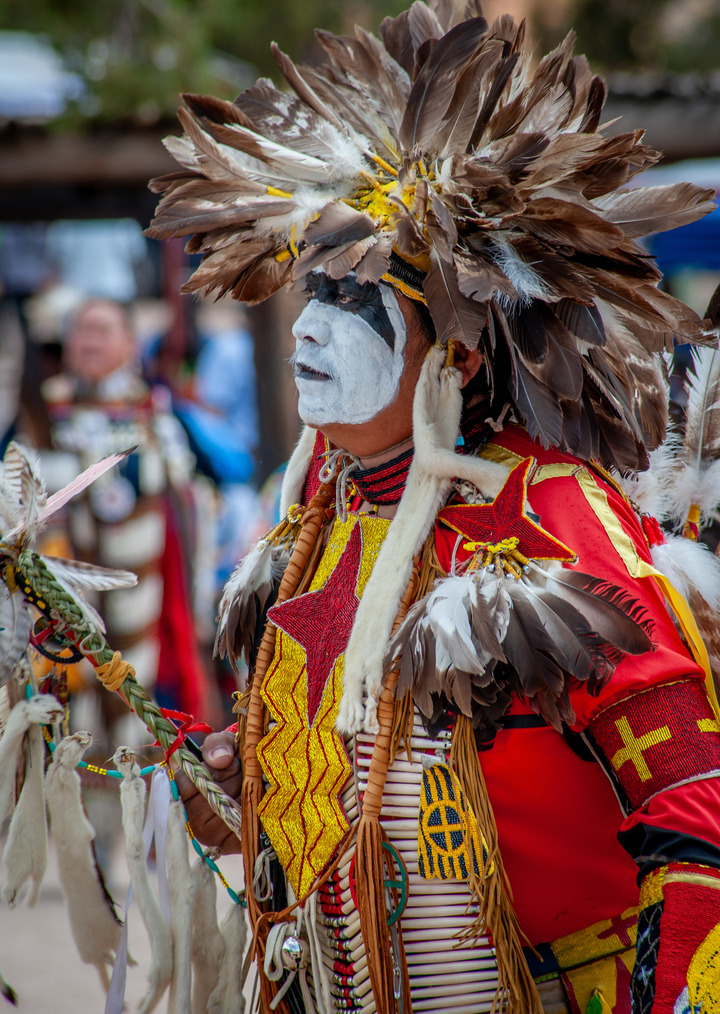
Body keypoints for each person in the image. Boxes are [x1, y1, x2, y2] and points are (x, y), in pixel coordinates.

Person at [151, 4, 720, 1012]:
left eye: (357, 305)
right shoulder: (318, 513)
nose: (311, 334)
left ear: (454, 355)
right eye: (310, 300)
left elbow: (692, 799)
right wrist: (244, 786)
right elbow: (349, 777)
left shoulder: (549, 514)